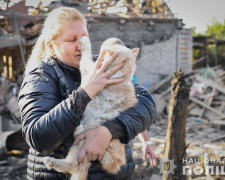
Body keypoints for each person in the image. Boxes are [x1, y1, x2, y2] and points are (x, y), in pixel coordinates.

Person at [18, 7, 157, 180]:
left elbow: (147, 104)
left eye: (84, 37)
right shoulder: (41, 76)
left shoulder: (101, 64)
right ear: (52, 46)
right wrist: (85, 92)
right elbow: (38, 137)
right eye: (72, 39)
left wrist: (109, 130)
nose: (80, 44)